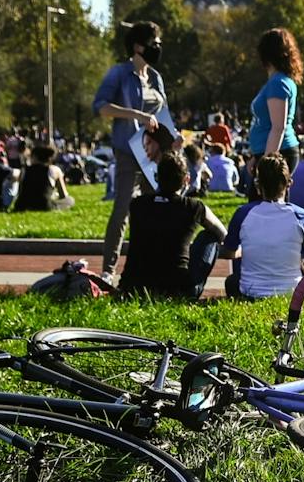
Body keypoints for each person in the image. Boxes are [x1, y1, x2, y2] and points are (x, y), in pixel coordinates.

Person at [93, 21, 169, 277]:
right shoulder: (119, 73)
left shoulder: (156, 77)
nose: (157, 48)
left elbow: (164, 115)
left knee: (154, 210)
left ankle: (147, 267)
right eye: (153, 43)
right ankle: (108, 270)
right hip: (128, 151)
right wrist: (135, 114)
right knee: (122, 209)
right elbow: (101, 106)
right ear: (138, 46)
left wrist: (175, 138)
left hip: (153, 155)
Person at [119, 152, 228, 299]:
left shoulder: (137, 204)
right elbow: (222, 233)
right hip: (177, 289)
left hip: (133, 287)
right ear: (186, 179)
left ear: (157, 178)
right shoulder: (193, 207)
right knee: (209, 236)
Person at [219, 154, 304, 299]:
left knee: (232, 281)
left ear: (258, 184)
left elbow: (229, 252)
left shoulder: (243, 214)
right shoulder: (303, 217)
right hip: (292, 293)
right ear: (289, 183)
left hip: (249, 292)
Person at [248, 27, 303, 178]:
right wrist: (255, 156)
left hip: (278, 152)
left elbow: (278, 127)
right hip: (269, 151)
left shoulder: (278, 83)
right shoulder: (278, 81)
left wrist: (266, 162)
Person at [12, 144, 75, 212]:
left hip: (22, 205)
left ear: (34, 156)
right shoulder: (54, 170)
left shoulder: (24, 170)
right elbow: (63, 195)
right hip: (43, 205)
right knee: (70, 200)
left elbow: (22, 191)